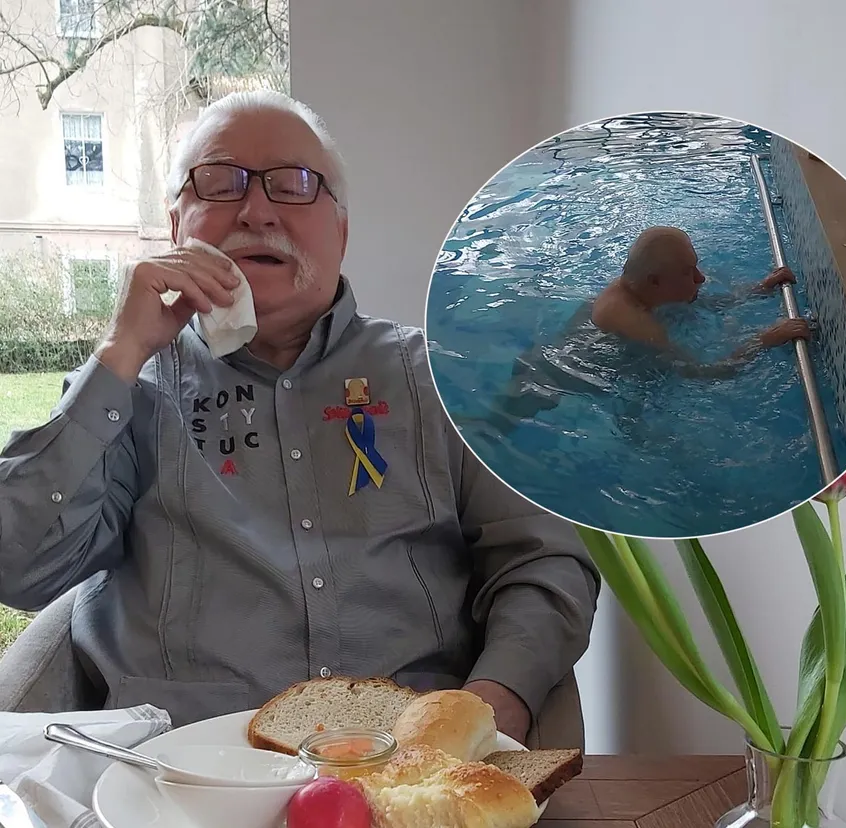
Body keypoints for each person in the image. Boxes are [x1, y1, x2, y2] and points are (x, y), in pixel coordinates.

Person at [0, 90, 600, 742]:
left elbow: (542, 561)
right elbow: (18, 567)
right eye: (219, 182)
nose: (257, 211)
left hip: (405, 766)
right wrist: (120, 351)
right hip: (179, 771)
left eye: (293, 185)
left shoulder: (440, 379)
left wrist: (498, 698)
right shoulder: (128, 389)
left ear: (340, 231)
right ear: (176, 226)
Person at [472, 226, 812, 434]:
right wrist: (765, 340)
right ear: (655, 281)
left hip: (553, 359)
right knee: (492, 430)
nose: (700, 278)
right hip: (552, 380)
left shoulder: (644, 287)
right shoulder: (637, 324)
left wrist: (759, 289)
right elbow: (704, 373)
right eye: (689, 272)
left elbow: (698, 301)